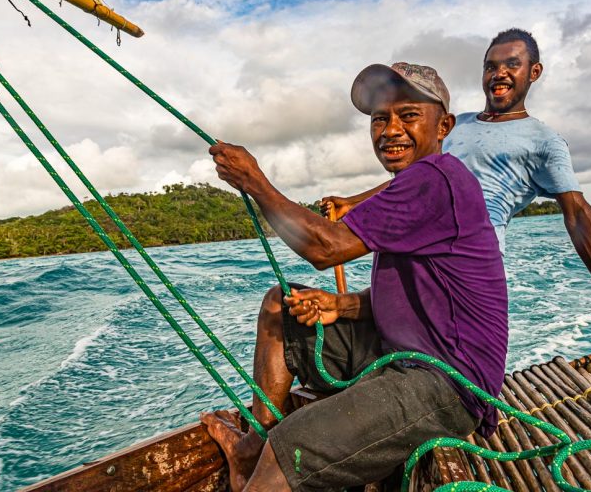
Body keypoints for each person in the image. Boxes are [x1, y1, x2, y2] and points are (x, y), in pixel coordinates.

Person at [201, 62, 508, 491]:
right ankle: (252, 447)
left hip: (448, 383)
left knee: (291, 448)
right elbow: (421, 292)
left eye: (409, 115)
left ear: (445, 126)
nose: (390, 129)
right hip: (398, 352)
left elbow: (325, 248)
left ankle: (264, 459)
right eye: (380, 118)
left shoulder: (434, 179)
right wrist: (342, 305)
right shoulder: (417, 183)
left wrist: (255, 182)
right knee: (280, 304)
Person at [324, 28, 591, 354]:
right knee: (391, 340)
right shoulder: (455, 124)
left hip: (463, 262)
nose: (499, 73)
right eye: (490, 66)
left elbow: (578, 214)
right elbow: (417, 180)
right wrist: (354, 202)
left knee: (450, 358)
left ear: (534, 72)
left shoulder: (544, 141)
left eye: (512, 64)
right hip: (415, 242)